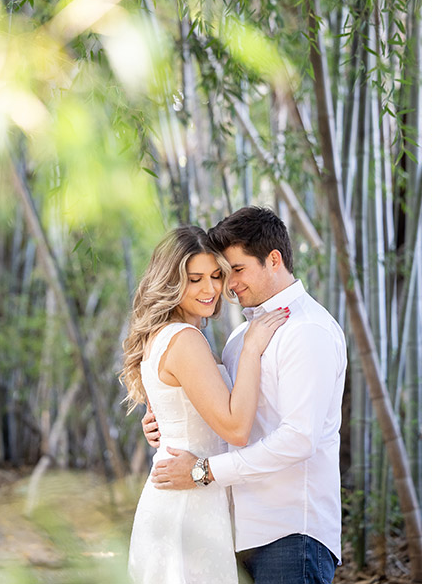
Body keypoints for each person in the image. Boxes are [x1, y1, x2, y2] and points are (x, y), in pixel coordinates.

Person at [145, 206, 348, 584]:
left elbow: (299, 438)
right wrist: (171, 420)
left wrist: (204, 471)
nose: (228, 285)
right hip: (234, 530)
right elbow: (224, 415)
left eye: (234, 271)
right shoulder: (241, 338)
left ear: (274, 260)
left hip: (290, 532)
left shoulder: (308, 331)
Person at [120, 225, 288, 584]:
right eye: (194, 279)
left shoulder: (166, 335)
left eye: (216, 276)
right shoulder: (185, 339)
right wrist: (253, 349)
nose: (210, 289)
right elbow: (236, 428)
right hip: (188, 504)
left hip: (187, 496)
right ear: (170, 282)